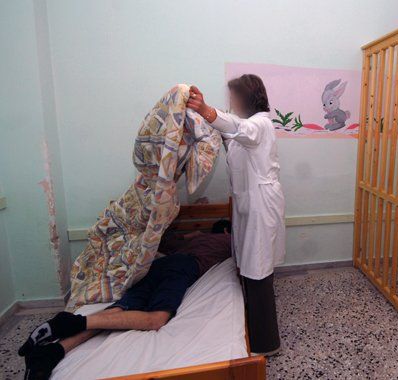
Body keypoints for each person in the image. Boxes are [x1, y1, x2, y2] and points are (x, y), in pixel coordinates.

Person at [18, 221, 232, 380]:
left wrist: (191, 236)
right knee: (156, 319)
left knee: (117, 312)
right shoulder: (228, 240)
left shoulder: (195, 240)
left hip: (156, 267)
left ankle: (51, 353)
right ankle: (72, 322)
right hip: (183, 267)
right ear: (226, 230)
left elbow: (164, 241)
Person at [186, 74, 285, 356]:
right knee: (249, 264)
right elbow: (231, 132)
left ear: (246, 98)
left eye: (233, 98)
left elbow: (240, 130)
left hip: (260, 204)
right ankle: (252, 324)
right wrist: (205, 121)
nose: (231, 103)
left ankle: (267, 344)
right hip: (247, 204)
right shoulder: (243, 128)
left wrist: (207, 110)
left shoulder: (260, 124)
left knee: (258, 268)